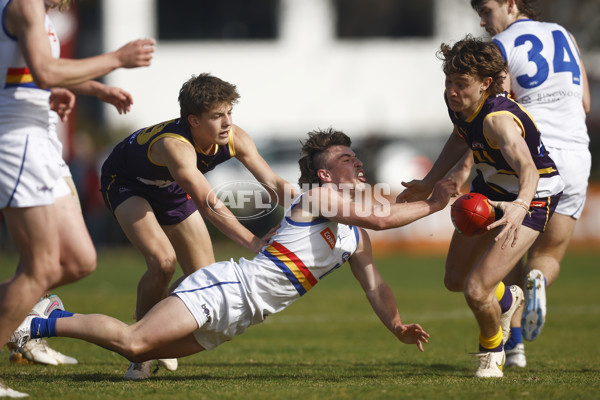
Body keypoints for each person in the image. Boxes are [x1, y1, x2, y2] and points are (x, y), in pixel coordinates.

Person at [8, 128, 458, 378]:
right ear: (323, 175)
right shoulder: (316, 200)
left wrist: (396, 325)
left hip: (243, 316)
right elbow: (381, 218)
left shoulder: (353, 237)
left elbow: (375, 285)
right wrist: (435, 204)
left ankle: (54, 315)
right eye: (345, 158)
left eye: (355, 156)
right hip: (228, 288)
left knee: (137, 352)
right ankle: (39, 320)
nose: (357, 162)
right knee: (135, 341)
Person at [98, 72, 300, 379]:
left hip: (169, 186)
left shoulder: (234, 137)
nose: (227, 122)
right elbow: (208, 202)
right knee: (163, 262)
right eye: (217, 116)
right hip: (127, 183)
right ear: (193, 120)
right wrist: (252, 241)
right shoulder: (175, 146)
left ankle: (152, 330)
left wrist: (317, 208)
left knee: (203, 280)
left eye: (230, 112)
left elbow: (273, 183)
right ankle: (140, 353)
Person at [0, 0, 154, 395]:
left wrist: (88, 88)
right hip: (18, 140)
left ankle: (18, 313)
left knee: (78, 259)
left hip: (37, 135)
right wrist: (115, 58)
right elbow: (45, 70)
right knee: (41, 267)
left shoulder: (36, 10)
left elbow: (32, 74)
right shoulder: (24, 5)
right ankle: (17, 319)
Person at [397, 36, 564, 378]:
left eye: (461, 84)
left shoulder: (496, 120)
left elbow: (529, 169)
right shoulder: (459, 105)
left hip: (531, 197)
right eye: (449, 82)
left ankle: (492, 351)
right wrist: (430, 181)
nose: (452, 91)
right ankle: (507, 301)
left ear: (486, 84)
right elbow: (460, 135)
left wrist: (519, 206)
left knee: (476, 289)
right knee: (455, 279)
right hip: (491, 188)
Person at [468, 0, 592, 368]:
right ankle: (526, 318)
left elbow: (500, 105)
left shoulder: (499, 47)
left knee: (507, 253)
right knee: (548, 255)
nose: (482, 19)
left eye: (486, 9)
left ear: (510, 3)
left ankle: (510, 342)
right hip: (577, 155)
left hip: (532, 157)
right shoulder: (565, 35)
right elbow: (584, 102)